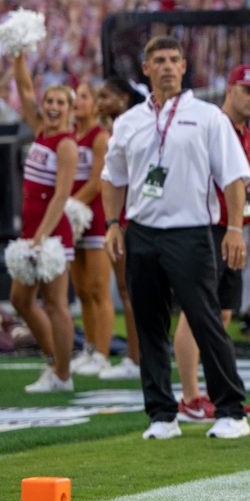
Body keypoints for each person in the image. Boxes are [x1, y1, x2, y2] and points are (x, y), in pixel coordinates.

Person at [101, 36, 250, 440]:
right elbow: (112, 177)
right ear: (146, 69)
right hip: (143, 232)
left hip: (191, 230)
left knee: (205, 319)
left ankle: (231, 411)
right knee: (148, 325)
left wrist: (234, 228)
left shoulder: (206, 116)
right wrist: (112, 223)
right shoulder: (129, 121)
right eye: (159, 60)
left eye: (173, 60)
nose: (167, 66)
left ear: (184, 67)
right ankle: (161, 415)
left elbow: (234, 177)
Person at [173, 65, 250, 423]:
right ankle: (189, 396)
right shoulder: (214, 126)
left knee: (223, 313)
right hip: (210, 226)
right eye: (248, 91)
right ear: (230, 90)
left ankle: (217, 392)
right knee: (197, 310)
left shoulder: (246, 134)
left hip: (233, 227)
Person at [10, 53, 77, 393]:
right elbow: (23, 89)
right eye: (49, 100)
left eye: (59, 102)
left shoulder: (66, 145)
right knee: (20, 299)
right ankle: (55, 361)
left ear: (70, 109)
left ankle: (63, 376)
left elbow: (61, 195)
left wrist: (40, 238)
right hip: (31, 232)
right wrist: (19, 54)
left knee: (55, 303)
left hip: (51, 235)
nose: (52, 107)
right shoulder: (40, 131)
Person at [94, 76, 144, 380]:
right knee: (127, 290)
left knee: (129, 291)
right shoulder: (119, 128)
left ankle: (135, 358)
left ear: (124, 98)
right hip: (120, 217)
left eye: (105, 96)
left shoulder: (129, 128)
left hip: (128, 216)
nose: (100, 103)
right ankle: (135, 356)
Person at [65, 81, 115, 377]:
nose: (77, 102)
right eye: (76, 96)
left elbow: (97, 182)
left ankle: (104, 353)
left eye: (84, 97)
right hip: (73, 217)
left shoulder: (100, 137)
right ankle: (90, 346)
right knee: (82, 290)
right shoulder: (71, 135)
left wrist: (67, 207)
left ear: (96, 105)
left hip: (93, 216)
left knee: (98, 289)